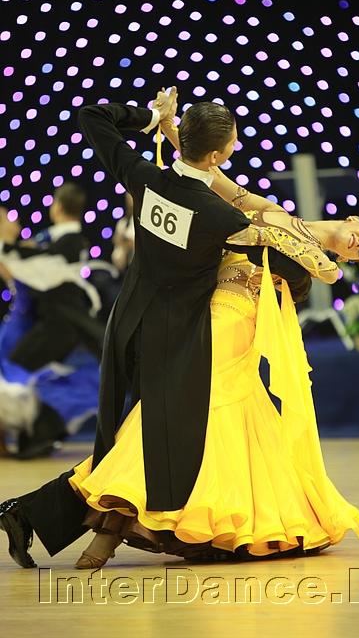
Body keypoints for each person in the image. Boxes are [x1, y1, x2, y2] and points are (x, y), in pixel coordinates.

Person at [0, 89, 321, 568]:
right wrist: (304, 273)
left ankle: (35, 517)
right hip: (179, 337)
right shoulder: (220, 215)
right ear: (215, 156)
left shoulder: (144, 177)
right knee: (153, 440)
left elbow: (92, 115)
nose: (233, 149)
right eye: (232, 144)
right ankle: (122, 534)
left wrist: (150, 118)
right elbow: (287, 268)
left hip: (128, 323)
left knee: (134, 436)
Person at [63, 101, 359, 567]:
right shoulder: (270, 210)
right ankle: (133, 520)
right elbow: (207, 173)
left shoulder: (326, 266)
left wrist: (269, 236)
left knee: (184, 406)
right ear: (355, 222)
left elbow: (303, 259)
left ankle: (113, 529)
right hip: (207, 309)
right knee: (196, 411)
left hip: (238, 322)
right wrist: (171, 128)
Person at [0, 184, 107, 458]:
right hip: (25, 323)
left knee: (15, 378)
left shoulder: (41, 248)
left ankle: (37, 434)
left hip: (36, 324)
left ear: (57, 207)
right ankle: (29, 436)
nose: (15, 222)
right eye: (7, 219)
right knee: (14, 378)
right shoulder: (28, 250)